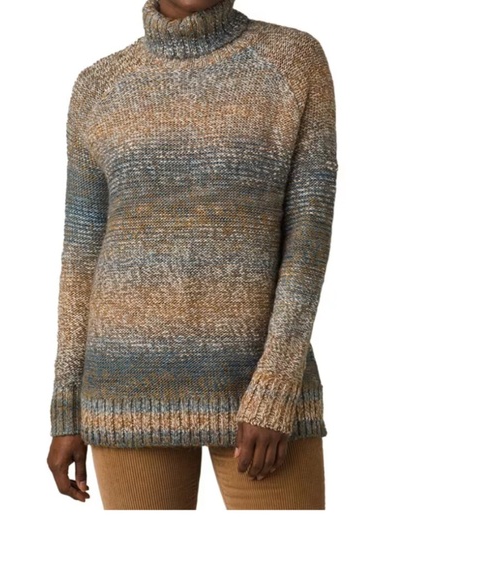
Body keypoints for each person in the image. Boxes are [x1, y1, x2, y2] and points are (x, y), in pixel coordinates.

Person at [47, 0, 338, 510]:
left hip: (259, 391)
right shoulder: (97, 86)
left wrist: (275, 388)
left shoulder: (292, 60)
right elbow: (82, 257)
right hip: (124, 388)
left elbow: (307, 241)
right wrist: (67, 406)